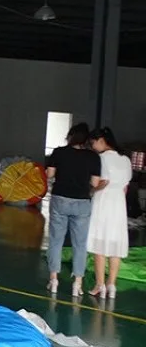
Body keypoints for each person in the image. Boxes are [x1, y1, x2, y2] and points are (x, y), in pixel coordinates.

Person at [45, 123, 101, 296]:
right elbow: (95, 183)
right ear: (87, 140)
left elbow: (50, 174)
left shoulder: (59, 152)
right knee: (80, 244)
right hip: (82, 202)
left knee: (56, 241)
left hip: (60, 199)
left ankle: (54, 280)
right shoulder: (93, 157)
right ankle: (77, 283)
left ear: (70, 136)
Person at [87, 127, 133, 299]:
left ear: (101, 141)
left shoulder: (101, 158)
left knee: (99, 245)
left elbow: (103, 182)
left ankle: (100, 285)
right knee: (115, 245)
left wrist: (91, 191)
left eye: (93, 143)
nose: (93, 147)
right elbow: (125, 187)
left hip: (103, 202)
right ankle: (111, 285)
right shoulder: (125, 159)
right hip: (119, 204)